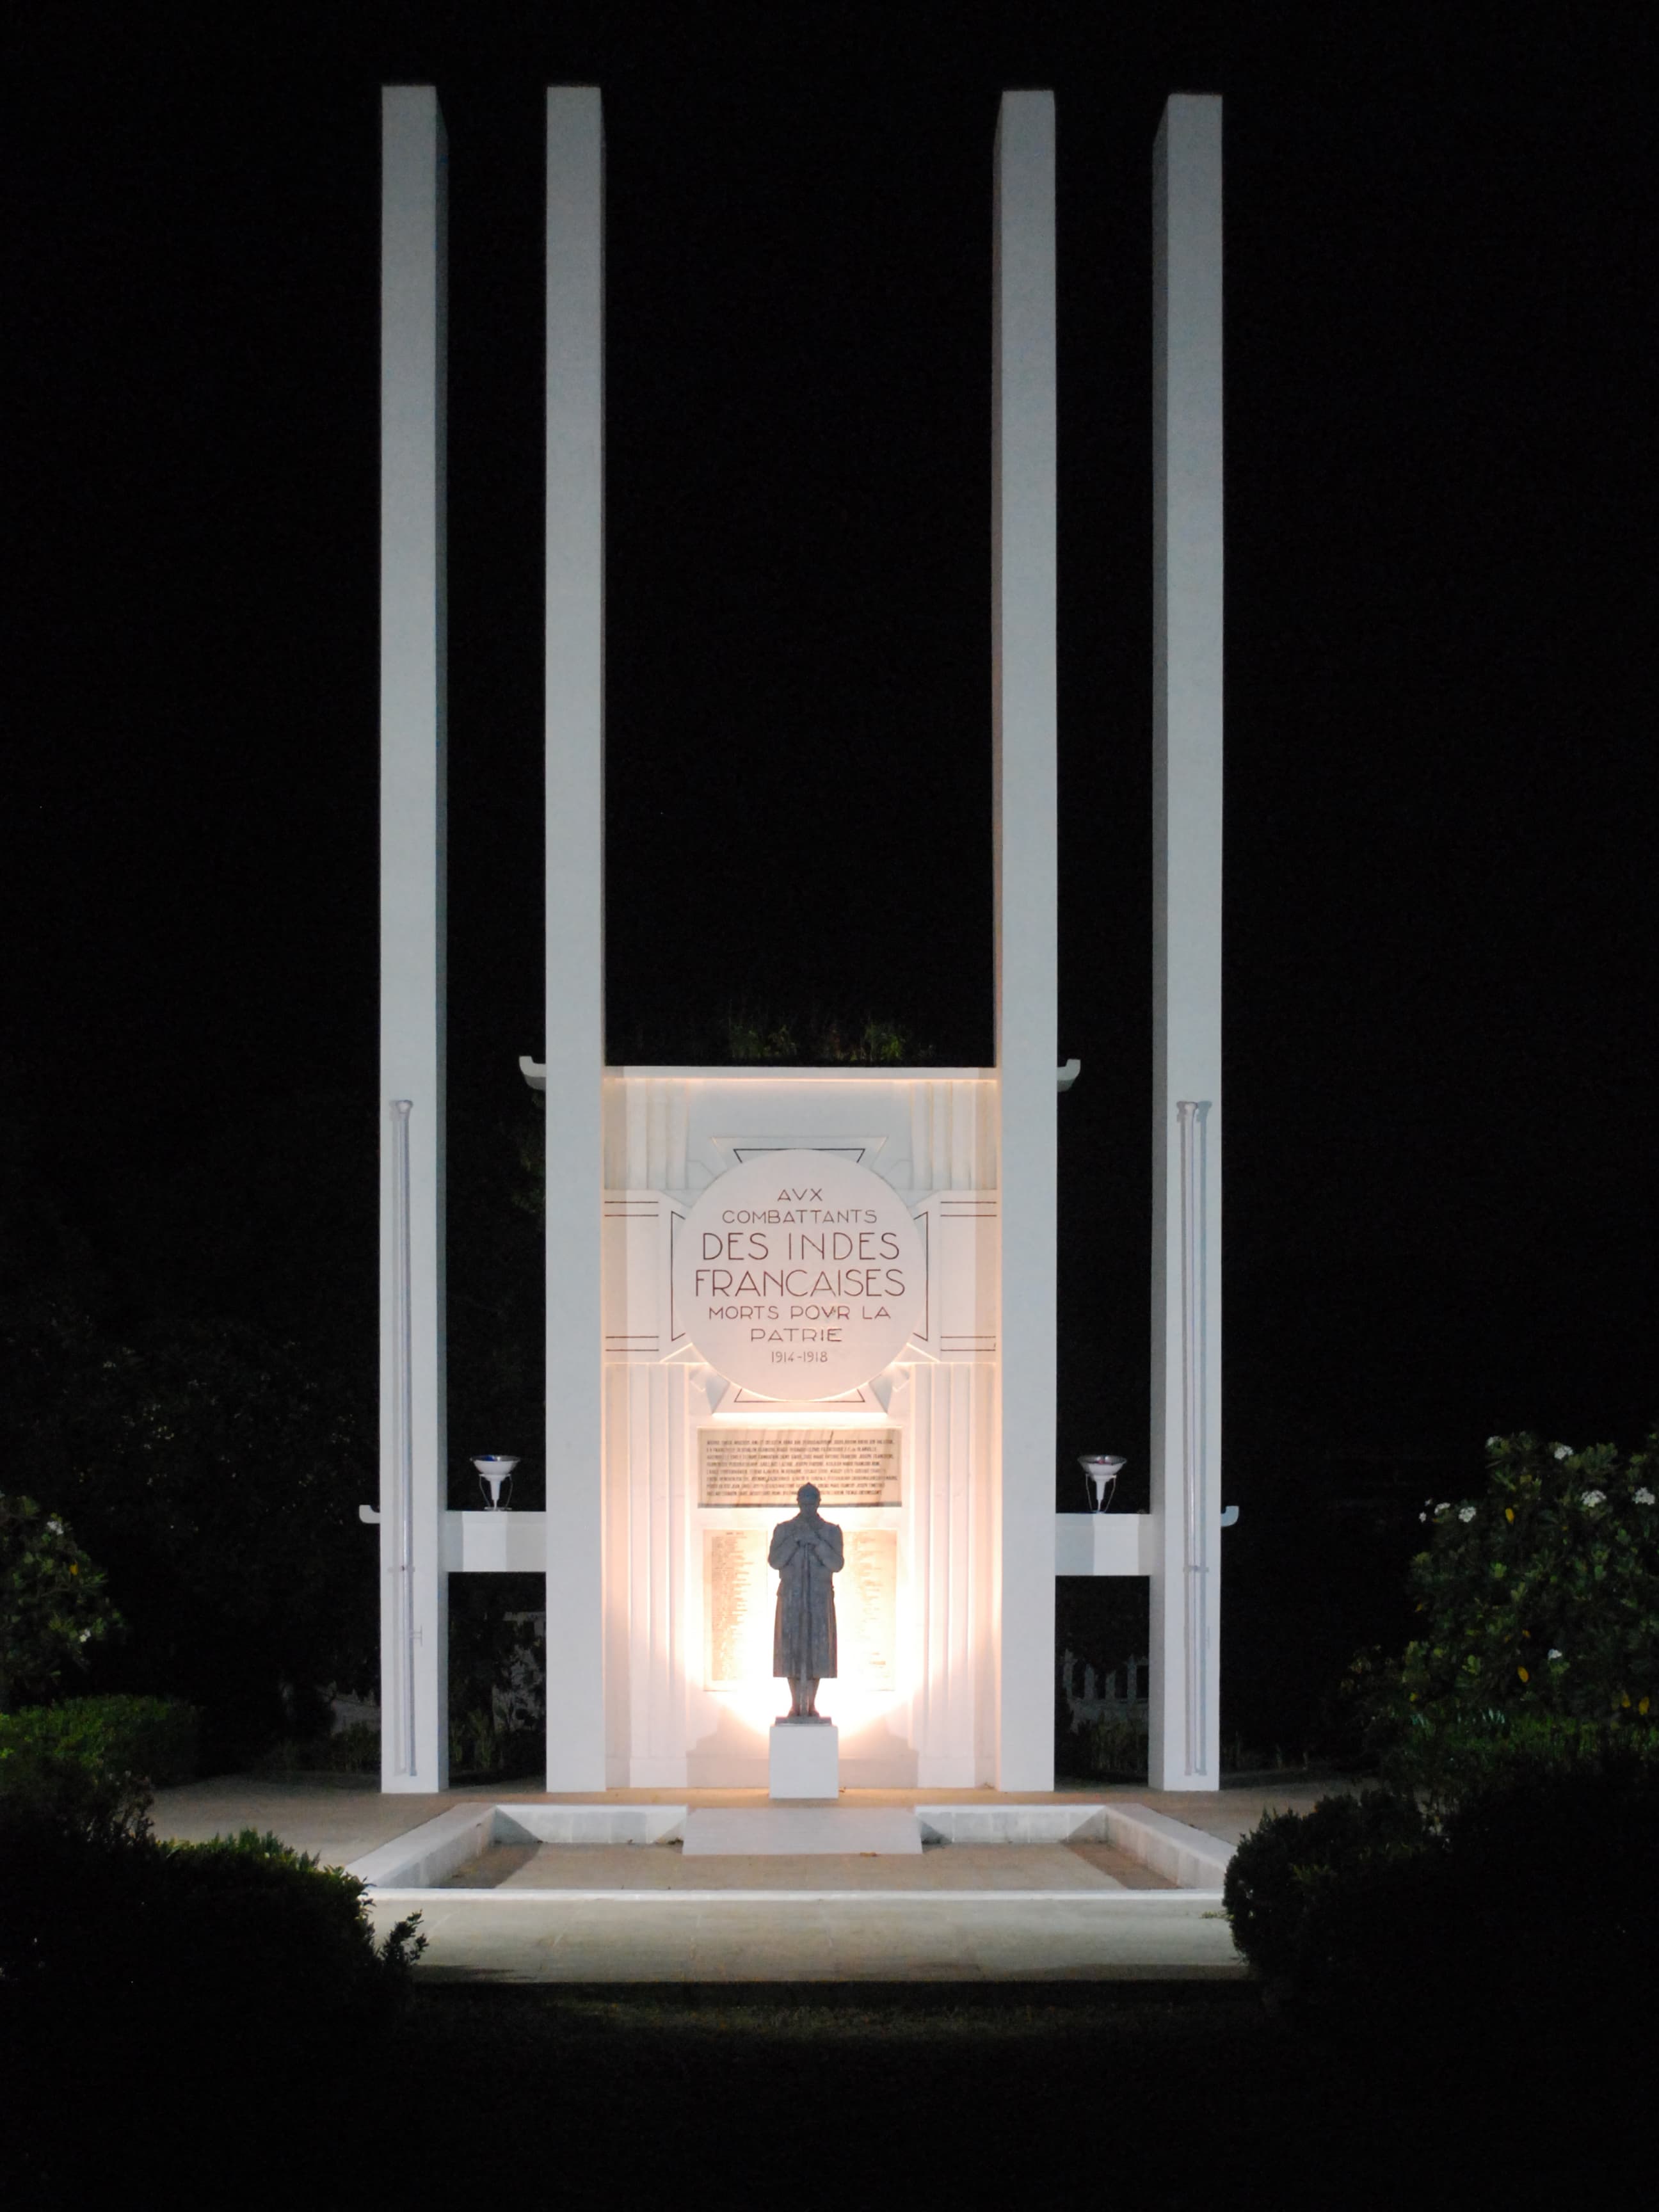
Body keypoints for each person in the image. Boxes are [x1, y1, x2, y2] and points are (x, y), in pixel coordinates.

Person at [768, 1482, 843, 1719]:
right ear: (798, 1502)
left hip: (819, 1600)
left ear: (819, 1502)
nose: (808, 1507)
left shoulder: (831, 1531)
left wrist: (817, 1543)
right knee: (791, 1651)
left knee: (817, 1651)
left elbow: (837, 1564)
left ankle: (810, 1704)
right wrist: (795, 1541)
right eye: (804, 1502)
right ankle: (794, 1704)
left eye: (812, 1502)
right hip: (792, 1597)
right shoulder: (784, 1529)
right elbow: (775, 1561)